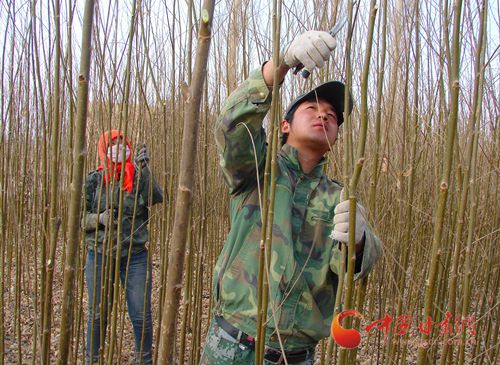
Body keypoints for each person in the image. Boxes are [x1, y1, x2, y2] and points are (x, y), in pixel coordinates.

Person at [200, 30, 382, 364]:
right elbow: (230, 127)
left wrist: (359, 243)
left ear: (337, 137)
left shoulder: (341, 198)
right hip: (231, 346)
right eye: (312, 108)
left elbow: (355, 269)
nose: (324, 115)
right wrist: (280, 65)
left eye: (333, 115)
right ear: (285, 126)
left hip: (297, 356)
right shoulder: (256, 169)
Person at [82, 130, 163, 365]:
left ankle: (144, 361)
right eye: (113, 144)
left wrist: (145, 168)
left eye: (122, 143)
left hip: (135, 256)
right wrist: (100, 219)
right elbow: (79, 219)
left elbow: (156, 197)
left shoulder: (137, 177)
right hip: (99, 254)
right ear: (103, 149)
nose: (118, 148)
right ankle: (92, 360)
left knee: (141, 315)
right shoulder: (94, 180)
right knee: (97, 314)